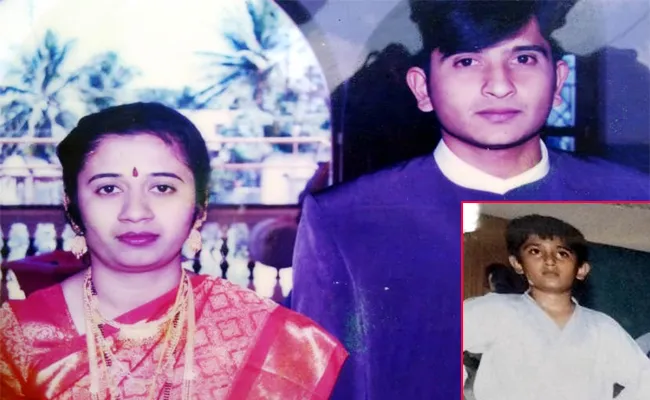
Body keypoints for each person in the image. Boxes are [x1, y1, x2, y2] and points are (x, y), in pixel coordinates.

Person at [291, 1, 650, 399]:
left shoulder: (633, 193)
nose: (499, 85)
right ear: (422, 88)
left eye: (524, 58)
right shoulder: (345, 217)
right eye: (467, 61)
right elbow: (318, 381)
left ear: (558, 80)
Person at [0, 102, 347, 399]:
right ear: (72, 205)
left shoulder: (276, 340)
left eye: (162, 187)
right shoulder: (17, 339)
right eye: (108, 189)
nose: (136, 212)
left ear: (200, 206)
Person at [464, 214, 650, 400]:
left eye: (562, 253)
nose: (550, 260)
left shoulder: (602, 328)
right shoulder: (496, 310)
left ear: (581, 269)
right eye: (535, 251)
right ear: (518, 263)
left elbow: (644, 378)